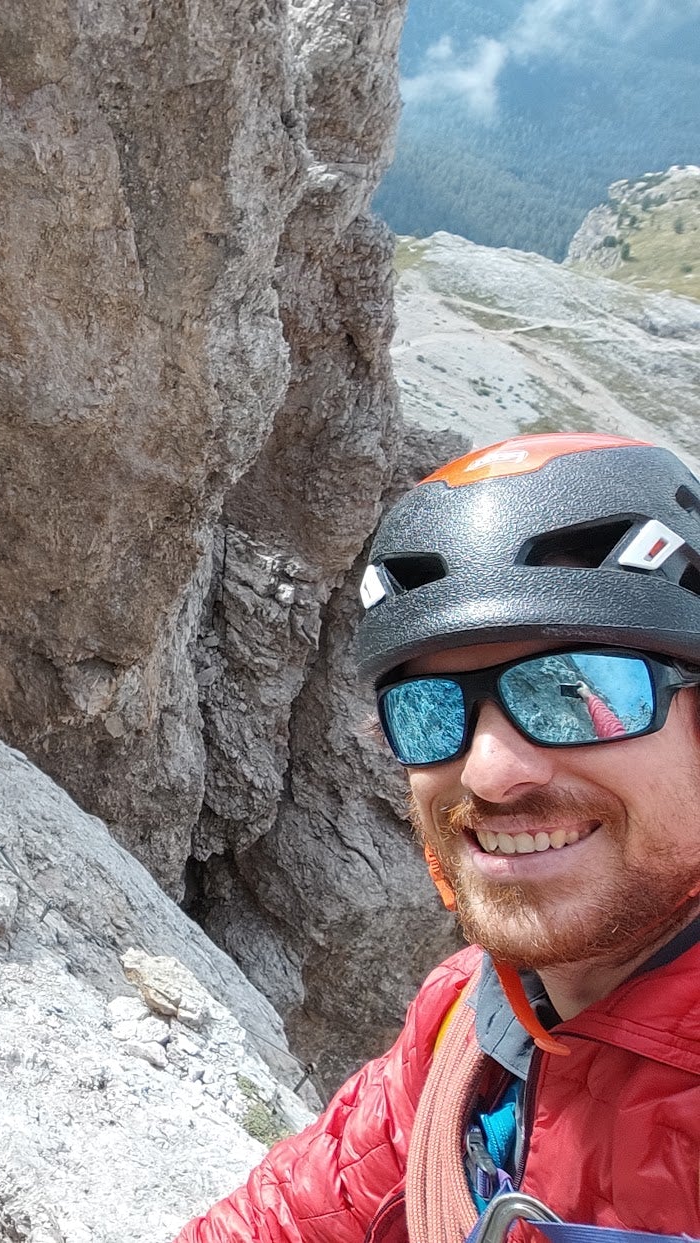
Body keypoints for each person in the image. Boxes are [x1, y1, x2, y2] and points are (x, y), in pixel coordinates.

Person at [179, 432, 700, 1241]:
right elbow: (292, 1216)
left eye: (578, 689)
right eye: (432, 710)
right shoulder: (469, 1016)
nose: (489, 772)